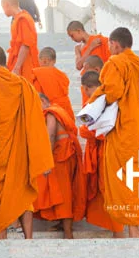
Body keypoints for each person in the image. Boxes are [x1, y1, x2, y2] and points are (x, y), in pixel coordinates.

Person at [87, 26, 139, 236]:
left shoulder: (116, 62)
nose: (109, 49)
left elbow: (112, 92)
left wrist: (94, 99)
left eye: (109, 45)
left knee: (126, 180)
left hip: (125, 131)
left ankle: (134, 233)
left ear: (115, 44)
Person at [0, 46, 52, 239]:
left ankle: (2, 238)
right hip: (18, 149)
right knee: (21, 191)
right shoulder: (23, 85)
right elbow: (34, 120)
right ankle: (29, 238)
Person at [33, 94, 86, 239]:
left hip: (61, 156)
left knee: (64, 192)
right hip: (66, 154)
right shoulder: (59, 109)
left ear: (43, 101)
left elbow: (50, 135)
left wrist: (47, 160)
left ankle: (68, 232)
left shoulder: (51, 112)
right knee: (64, 189)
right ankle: (62, 223)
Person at [78, 71, 123, 235]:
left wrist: (87, 130)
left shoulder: (102, 102)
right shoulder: (105, 101)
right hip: (104, 151)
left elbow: (88, 130)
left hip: (106, 152)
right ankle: (117, 229)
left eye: (86, 90)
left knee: (110, 190)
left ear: (87, 88)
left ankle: (119, 231)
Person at [1, 0, 39, 80]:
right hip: (20, 63)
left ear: (7, 5)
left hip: (25, 64)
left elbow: (25, 45)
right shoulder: (18, 19)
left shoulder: (23, 19)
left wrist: (17, 67)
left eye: (3, 7)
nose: (3, 11)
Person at [30, 47, 75, 119]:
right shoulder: (62, 75)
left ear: (42, 60)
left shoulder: (37, 74)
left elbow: (36, 95)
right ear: (54, 61)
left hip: (48, 110)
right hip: (64, 110)